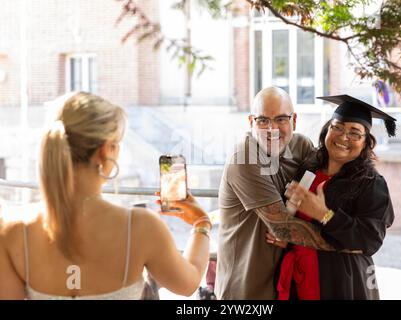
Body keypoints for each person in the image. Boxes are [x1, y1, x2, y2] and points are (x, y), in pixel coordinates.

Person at [0, 92, 211, 300]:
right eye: (117, 143)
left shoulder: (11, 229)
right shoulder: (141, 227)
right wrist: (201, 223)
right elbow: (188, 284)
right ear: (104, 151)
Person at [267, 94, 395, 299]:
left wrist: (324, 214)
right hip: (299, 280)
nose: (344, 137)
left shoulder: (371, 183)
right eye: (338, 127)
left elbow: (370, 239)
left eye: (355, 133)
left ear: (366, 143)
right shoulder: (308, 170)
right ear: (327, 129)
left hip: (342, 283)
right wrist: (287, 236)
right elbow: (293, 217)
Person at [216, 86, 330, 300]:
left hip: (285, 284)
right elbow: (283, 229)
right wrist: (347, 241)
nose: (272, 129)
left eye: (281, 119)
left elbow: (331, 183)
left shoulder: (301, 146)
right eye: (263, 121)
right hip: (245, 289)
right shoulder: (245, 158)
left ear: (294, 120)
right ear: (251, 122)